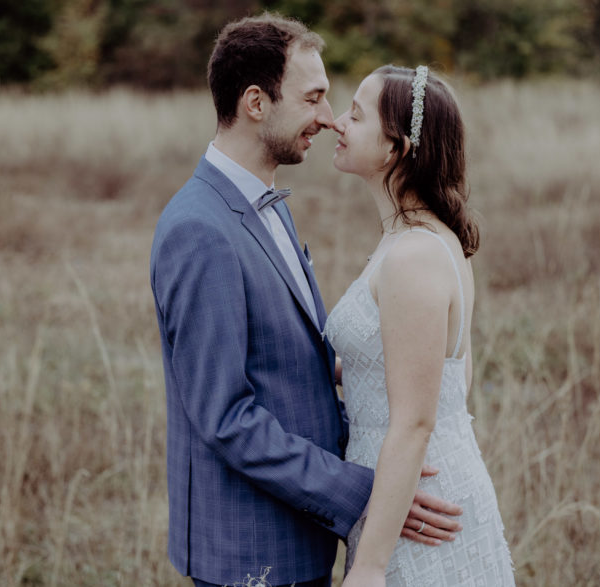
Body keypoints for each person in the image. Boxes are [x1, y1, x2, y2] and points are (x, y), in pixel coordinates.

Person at [149, 15, 462, 587]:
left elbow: (294, 368)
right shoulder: (200, 229)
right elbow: (226, 417)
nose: (327, 116)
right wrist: (362, 491)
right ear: (256, 103)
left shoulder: (269, 205)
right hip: (250, 549)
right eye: (313, 97)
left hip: (300, 533)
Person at [324, 65, 515, 586]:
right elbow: (451, 377)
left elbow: (414, 421)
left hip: (419, 512)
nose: (338, 122)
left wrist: (369, 568)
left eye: (356, 115)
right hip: (403, 495)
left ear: (396, 148)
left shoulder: (414, 256)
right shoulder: (418, 239)